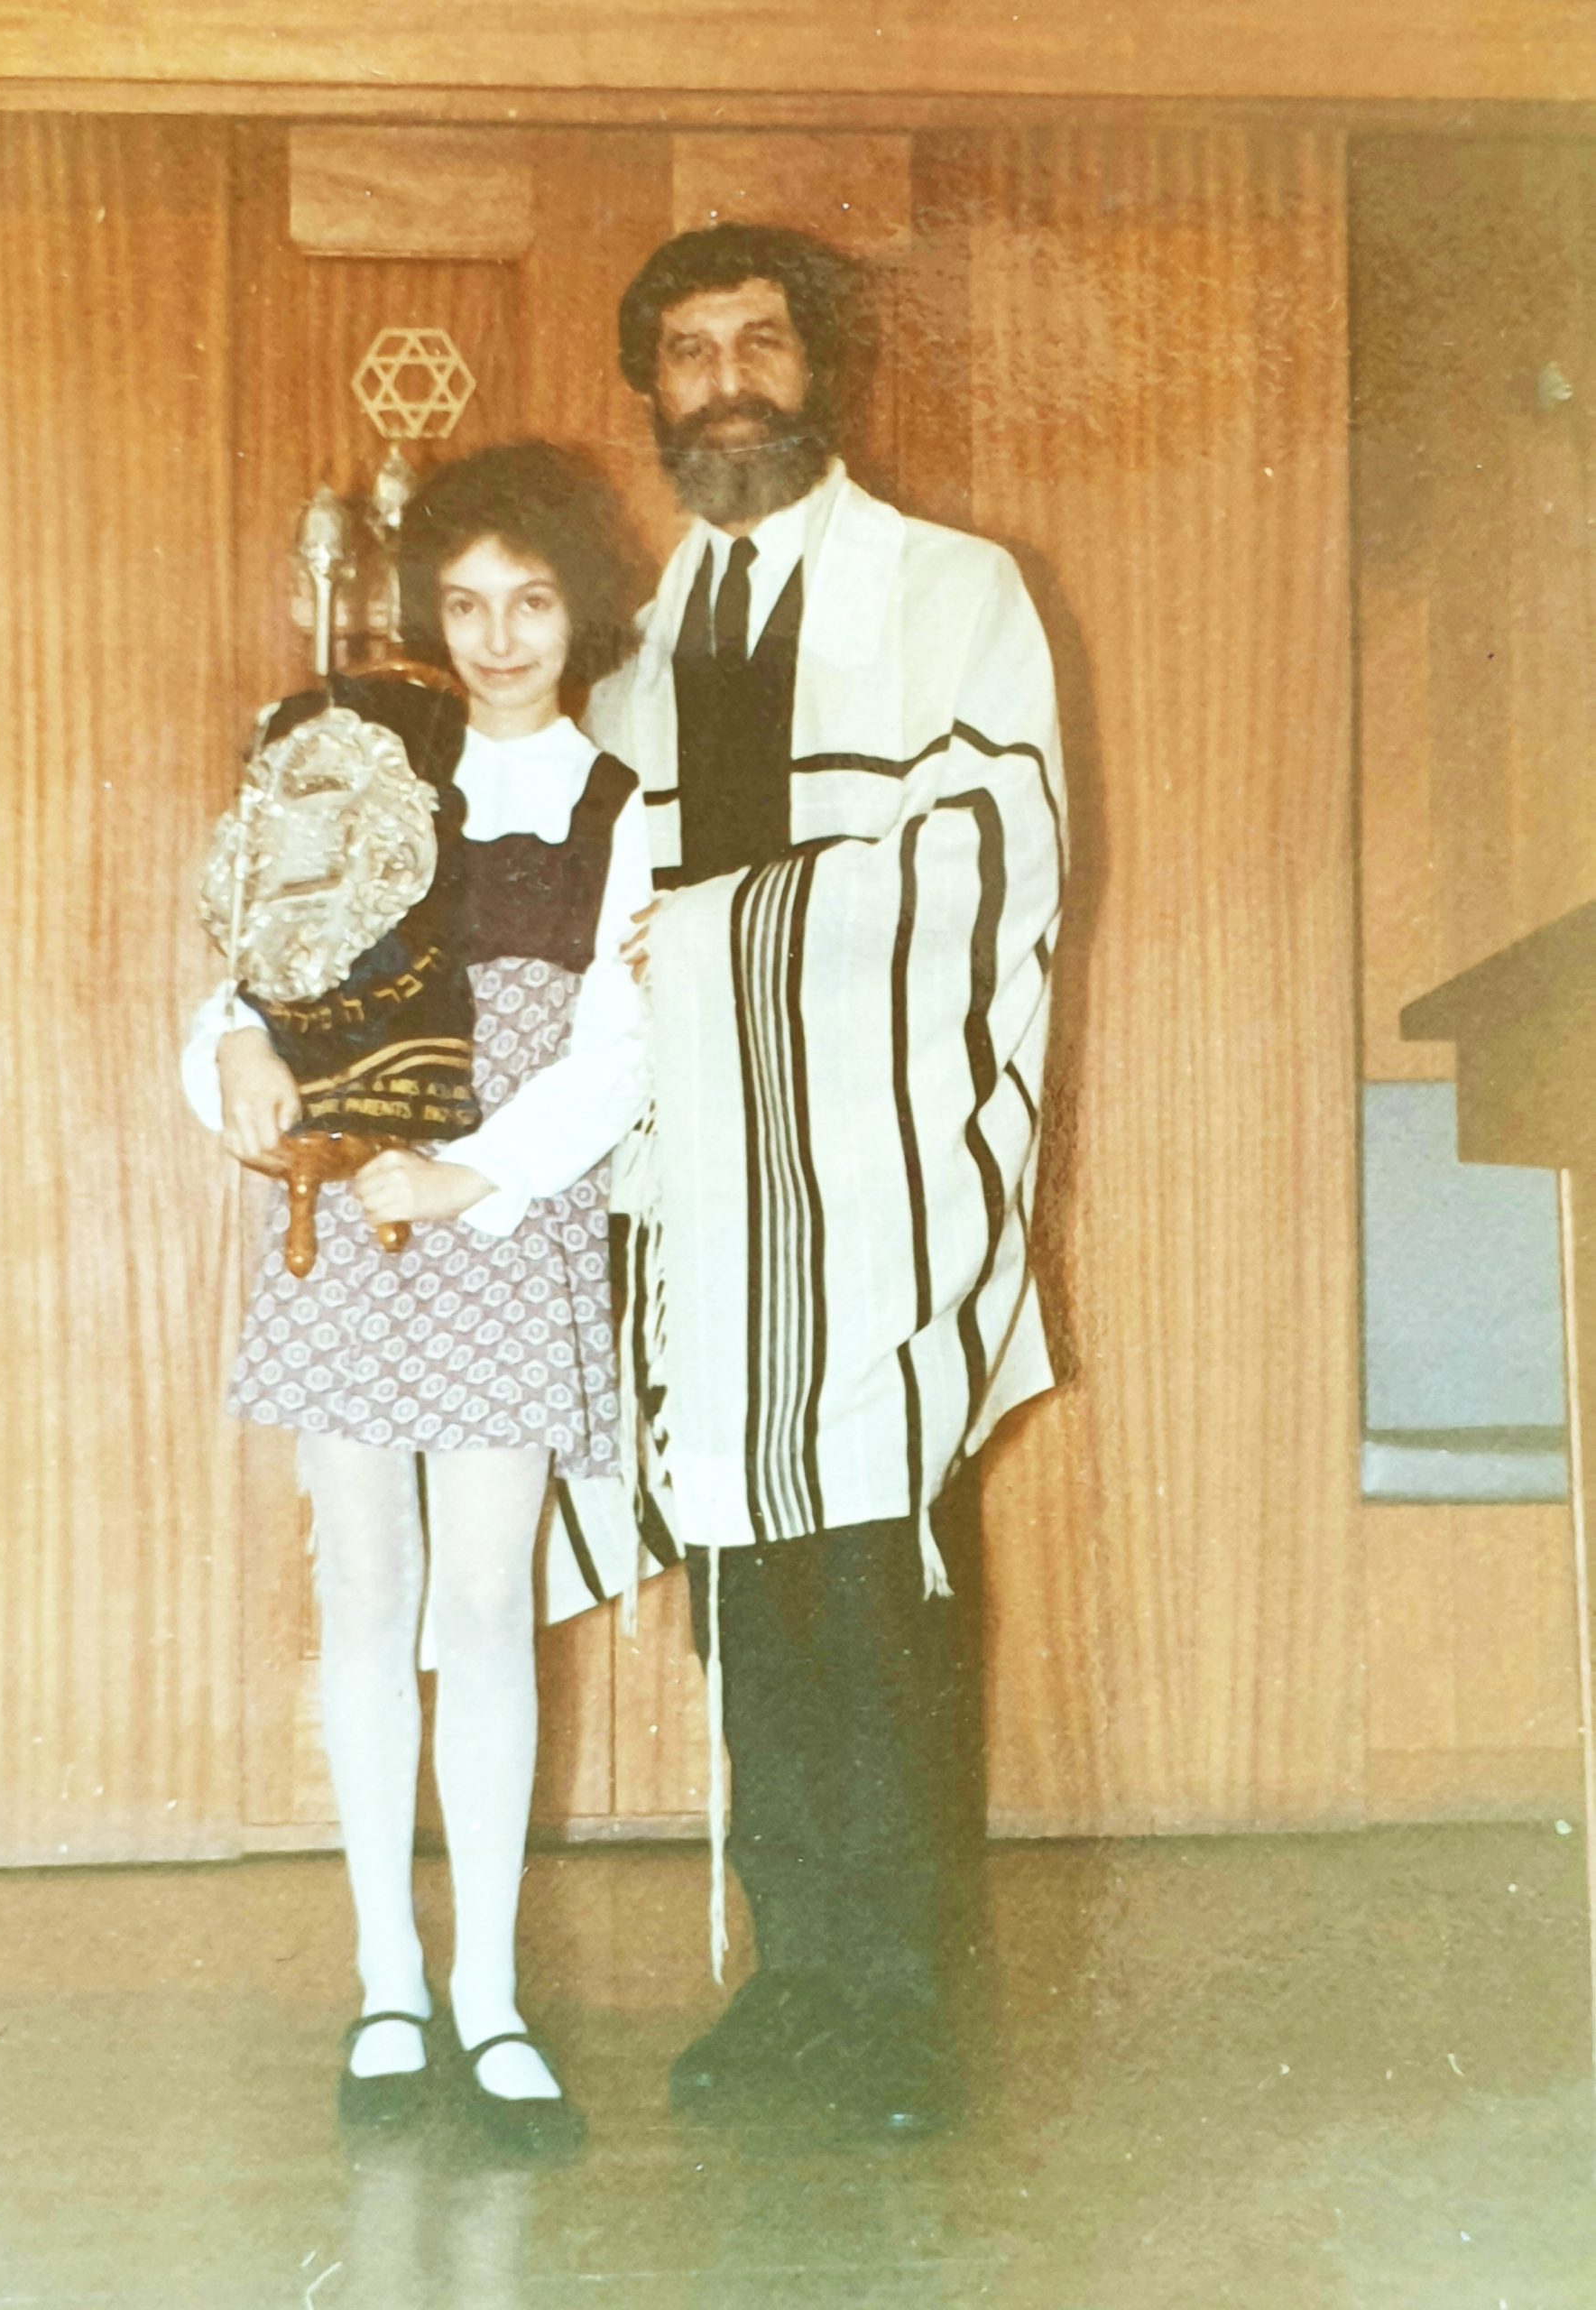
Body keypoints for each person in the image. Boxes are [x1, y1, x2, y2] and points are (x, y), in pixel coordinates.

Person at [589, 224, 1068, 2138]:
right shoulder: (639, 640)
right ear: (654, 394)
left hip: (869, 1184)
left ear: (823, 369)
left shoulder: (952, 592)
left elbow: (983, 853)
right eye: (689, 351)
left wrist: (702, 938)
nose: (725, 380)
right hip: (705, 1202)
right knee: (745, 1591)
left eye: (759, 341)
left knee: (870, 1586)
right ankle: (795, 1977)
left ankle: (899, 2000)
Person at [182, 442, 652, 2155]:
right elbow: (255, 961)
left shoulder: (624, 803)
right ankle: (388, 1977)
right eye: (463, 603)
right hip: (348, 1222)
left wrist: (479, 1175)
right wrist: (228, 1040)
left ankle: (491, 1999)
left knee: (486, 1606)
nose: (498, 635)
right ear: (423, 610)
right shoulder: (363, 767)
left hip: (505, 1219)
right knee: (363, 1589)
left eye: (530, 602)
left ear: (578, 609)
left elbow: (623, 1048)